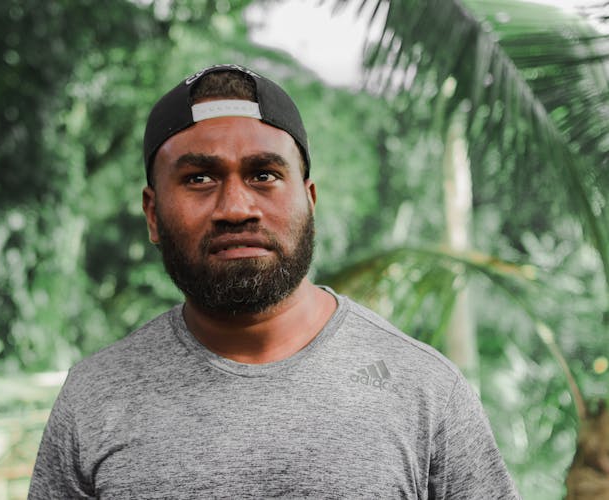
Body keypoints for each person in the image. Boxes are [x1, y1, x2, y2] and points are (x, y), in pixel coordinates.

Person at [28, 63, 519, 499]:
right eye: (200, 178)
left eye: (264, 174)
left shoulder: (424, 389)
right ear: (153, 215)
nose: (236, 208)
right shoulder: (95, 398)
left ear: (309, 200)